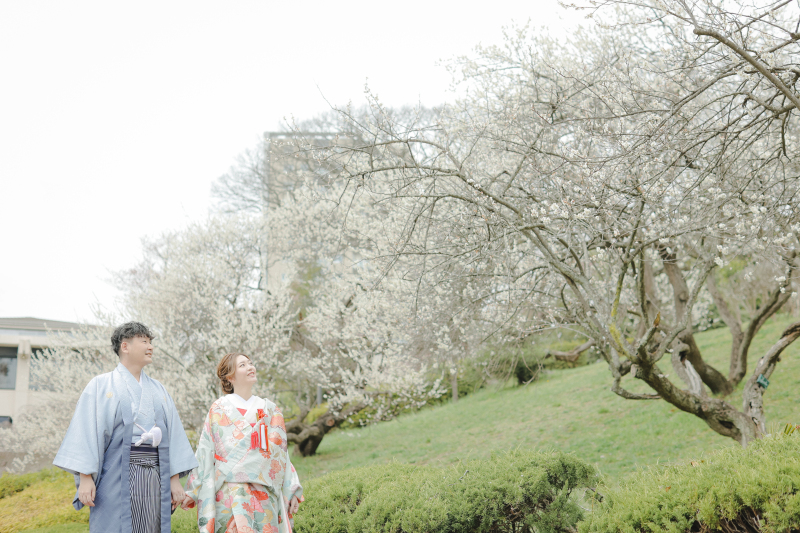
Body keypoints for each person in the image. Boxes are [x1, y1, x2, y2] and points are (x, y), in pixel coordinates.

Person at [53, 322, 198, 533]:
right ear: (125, 346)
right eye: (144, 341)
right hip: (115, 475)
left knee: (151, 526)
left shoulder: (158, 390)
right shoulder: (100, 385)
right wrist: (85, 478)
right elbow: (85, 433)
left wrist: (174, 480)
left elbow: (172, 436)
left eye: (150, 342)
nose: (150, 347)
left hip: (154, 477)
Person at [182, 353, 303, 533]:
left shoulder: (270, 409)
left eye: (251, 363)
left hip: (264, 493)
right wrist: (192, 490)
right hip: (229, 494)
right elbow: (205, 451)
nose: (250, 367)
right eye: (243, 365)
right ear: (230, 377)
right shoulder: (219, 409)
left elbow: (281, 454)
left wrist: (291, 488)